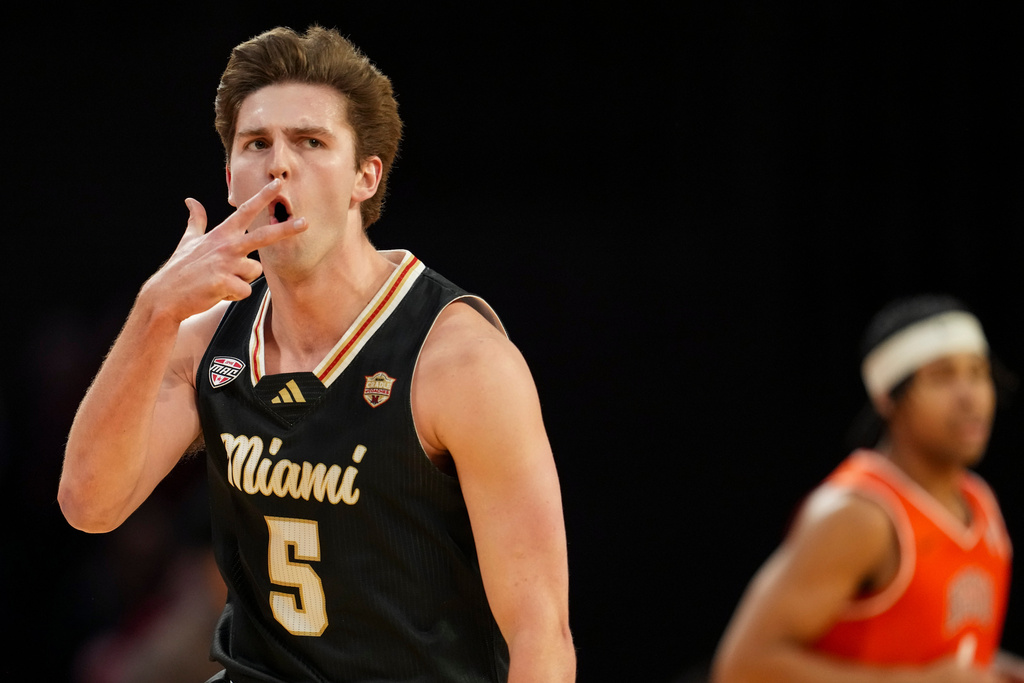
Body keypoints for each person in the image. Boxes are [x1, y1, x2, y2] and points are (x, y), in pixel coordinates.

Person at [59, 25, 575, 683]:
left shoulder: (459, 363)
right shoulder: (206, 339)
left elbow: (543, 636)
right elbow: (88, 503)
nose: (279, 163)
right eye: (257, 144)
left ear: (366, 176)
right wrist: (154, 310)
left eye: (310, 142)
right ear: (229, 176)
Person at [711, 295, 1024, 683]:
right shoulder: (858, 514)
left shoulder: (980, 499)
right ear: (887, 398)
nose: (970, 396)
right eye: (942, 377)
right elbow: (743, 667)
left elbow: (937, 655)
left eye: (978, 373)